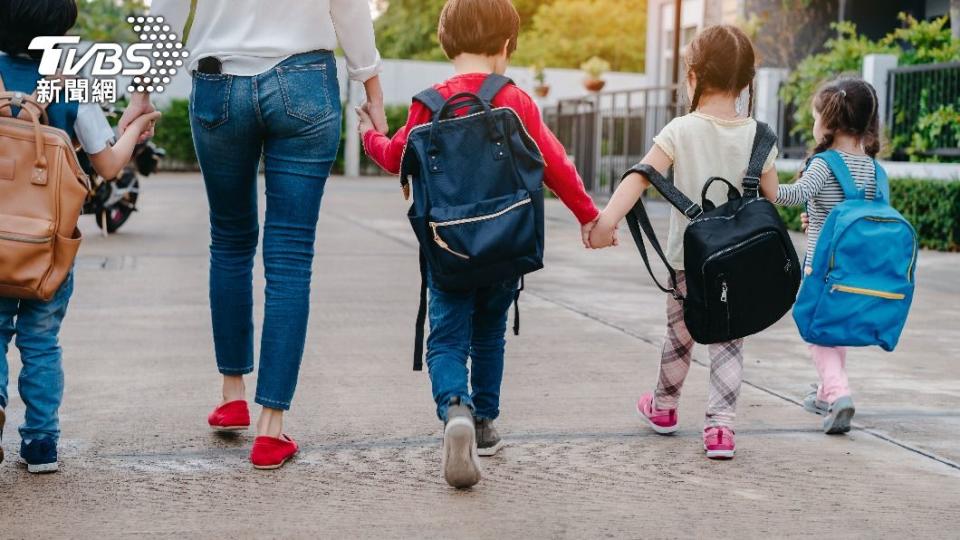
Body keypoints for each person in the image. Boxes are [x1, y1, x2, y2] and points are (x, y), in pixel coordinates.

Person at [358, 0, 600, 487]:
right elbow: (555, 163)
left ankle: (455, 409)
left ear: (447, 42)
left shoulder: (428, 102)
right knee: (489, 333)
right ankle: (485, 424)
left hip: (448, 249)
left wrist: (369, 134)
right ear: (506, 45)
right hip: (506, 245)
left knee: (446, 338)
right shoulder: (515, 100)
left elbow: (394, 157)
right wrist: (590, 217)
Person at [142, 0, 387, 469]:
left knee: (230, 241)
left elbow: (169, 8)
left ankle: (233, 394)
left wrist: (143, 90)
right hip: (304, 81)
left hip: (219, 84)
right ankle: (271, 428)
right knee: (291, 257)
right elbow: (350, 8)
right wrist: (370, 87)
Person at [589, 25, 779, 460]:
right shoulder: (760, 137)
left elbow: (641, 175)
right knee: (730, 340)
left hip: (687, 262)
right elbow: (772, 197)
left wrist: (606, 222)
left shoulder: (680, 129)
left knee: (679, 337)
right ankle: (720, 431)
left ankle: (664, 408)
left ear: (691, 76)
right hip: (740, 264)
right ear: (748, 82)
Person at [0, 0, 159, 473]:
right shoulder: (72, 87)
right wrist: (135, 128)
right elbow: (108, 166)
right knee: (42, 342)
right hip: (48, 247)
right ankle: (41, 444)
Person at [774, 78, 882, 434]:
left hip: (820, 266)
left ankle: (838, 393)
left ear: (828, 121)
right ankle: (824, 393)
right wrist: (816, 215)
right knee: (834, 328)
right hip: (855, 267)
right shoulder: (872, 168)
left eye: (815, 116)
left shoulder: (823, 163)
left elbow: (792, 194)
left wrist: (764, 179)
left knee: (816, 331)